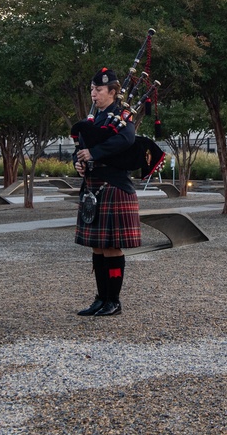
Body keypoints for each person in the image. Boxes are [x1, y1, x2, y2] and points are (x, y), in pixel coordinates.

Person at [73, 67, 142, 317]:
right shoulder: (94, 119)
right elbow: (80, 147)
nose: (94, 93)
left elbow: (126, 140)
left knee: (112, 247)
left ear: (113, 92)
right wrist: (79, 162)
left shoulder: (121, 116)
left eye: (99, 89)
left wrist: (94, 153)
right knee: (97, 246)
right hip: (93, 185)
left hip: (114, 186)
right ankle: (100, 299)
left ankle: (114, 300)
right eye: (92, 89)